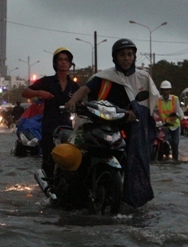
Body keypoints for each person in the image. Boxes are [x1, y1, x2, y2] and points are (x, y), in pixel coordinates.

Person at [65, 38, 160, 208]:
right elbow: (85, 89)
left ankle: (133, 195)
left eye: (130, 54)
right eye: (122, 55)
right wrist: (73, 100)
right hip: (100, 125)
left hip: (129, 128)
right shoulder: (104, 77)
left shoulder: (143, 77)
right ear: (115, 58)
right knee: (81, 152)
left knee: (137, 159)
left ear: (134, 57)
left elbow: (150, 103)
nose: (126, 58)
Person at [21, 47, 80, 178]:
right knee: (49, 160)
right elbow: (25, 92)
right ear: (55, 63)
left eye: (66, 60)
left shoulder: (74, 86)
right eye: (60, 60)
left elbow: (81, 103)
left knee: (68, 162)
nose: (63, 62)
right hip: (49, 128)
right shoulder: (47, 81)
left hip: (68, 129)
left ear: (70, 64)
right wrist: (39, 93)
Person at [156, 80, 184, 161]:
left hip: (174, 125)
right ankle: (164, 157)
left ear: (170, 90)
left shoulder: (175, 99)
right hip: (164, 126)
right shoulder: (158, 100)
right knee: (165, 142)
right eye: (164, 90)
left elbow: (178, 111)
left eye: (167, 89)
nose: (166, 91)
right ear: (161, 90)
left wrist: (178, 118)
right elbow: (154, 111)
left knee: (175, 143)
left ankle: (175, 159)